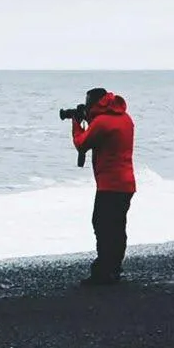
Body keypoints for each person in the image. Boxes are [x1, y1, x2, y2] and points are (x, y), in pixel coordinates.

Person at [69, 87, 136, 285]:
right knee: (117, 226)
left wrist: (75, 122)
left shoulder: (102, 122)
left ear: (96, 103)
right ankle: (114, 267)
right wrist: (89, 120)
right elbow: (105, 136)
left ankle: (103, 271)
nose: (87, 106)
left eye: (88, 103)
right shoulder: (125, 118)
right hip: (126, 182)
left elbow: (81, 143)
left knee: (102, 225)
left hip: (110, 184)